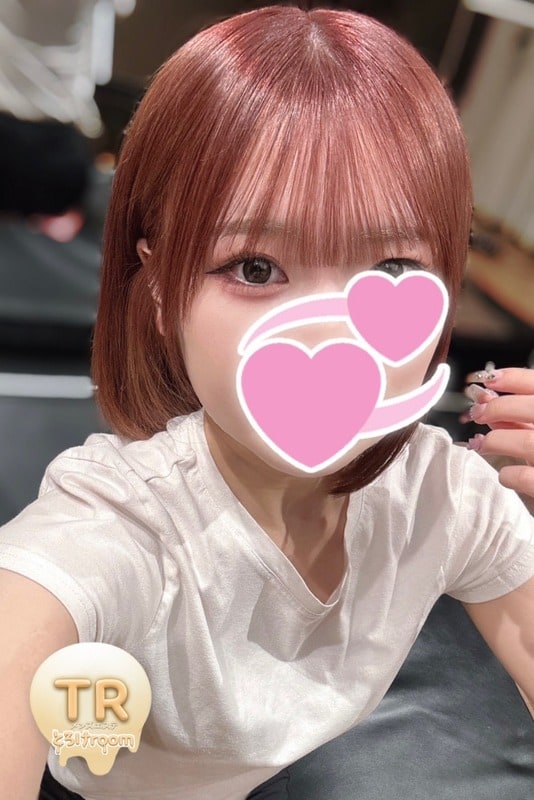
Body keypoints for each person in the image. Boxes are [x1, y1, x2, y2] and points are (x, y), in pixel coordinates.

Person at [0, 6, 532, 800]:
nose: (327, 339)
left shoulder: (444, 498)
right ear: (159, 290)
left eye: (390, 269)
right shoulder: (118, 530)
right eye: (255, 268)